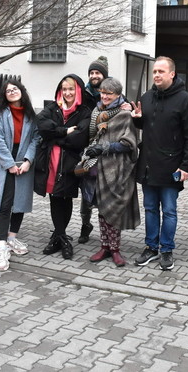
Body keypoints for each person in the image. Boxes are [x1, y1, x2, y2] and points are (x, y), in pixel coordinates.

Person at [131, 56, 188, 271]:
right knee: (150, 208)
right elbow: (147, 125)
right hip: (148, 165)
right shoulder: (147, 97)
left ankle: (166, 249)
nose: (157, 75)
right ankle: (151, 247)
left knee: (169, 210)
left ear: (172, 74)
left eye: (161, 71)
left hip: (172, 167)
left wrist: (186, 166)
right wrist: (137, 119)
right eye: (154, 71)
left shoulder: (185, 99)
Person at [83, 78, 140, 267]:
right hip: (98, 167)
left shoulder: (125, 114)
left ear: (118, 95)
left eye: (110, 93)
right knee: (102, 207)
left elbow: (129, 144)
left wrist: (104, 147)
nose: (105, 96)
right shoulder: (97, 112)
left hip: (117, 168)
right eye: (103, 92)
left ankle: (115, 249)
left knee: (114, 206)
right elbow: (91, 135)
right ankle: (104, 246)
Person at [34, 74, 92, 260]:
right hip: (51, 162)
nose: (67, 93)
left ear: (78, 91)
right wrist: (65, 131)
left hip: (69, 163)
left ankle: (59, 237)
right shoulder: (52, 107)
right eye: (64, 89)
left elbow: (79, 138)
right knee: (55, 198)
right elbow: (42, 126)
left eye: (71, 89)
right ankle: (61, 238)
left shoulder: (84, 111)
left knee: (65, 197)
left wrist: (55, 136)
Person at [0, 79, 39, 271]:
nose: (12, 92)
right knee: (5, 204)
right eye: (8, 90)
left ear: (22, 91)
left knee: (19, 204)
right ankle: (2, 247)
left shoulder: (30, 114)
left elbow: (36, 138)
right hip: (5, 164)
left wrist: (28, 161)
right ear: (4, 95)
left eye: (15, 89)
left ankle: (12, 238)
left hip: (24, 162)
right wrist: (9, 164)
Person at [78, 56, 109, 244]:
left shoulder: (111, 91)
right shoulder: (84, 94)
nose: (94, 75)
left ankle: (107, 234)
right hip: (87, 149)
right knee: (86, 192)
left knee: (105, 193)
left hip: (106, 151)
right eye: (91, 73)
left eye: (97, 72)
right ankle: (85, 225)